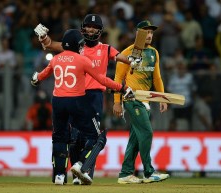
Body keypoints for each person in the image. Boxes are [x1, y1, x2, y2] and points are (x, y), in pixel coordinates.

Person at [34, 14, 140, 185]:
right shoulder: (76, 46)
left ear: (100, 30)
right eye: (88, 26)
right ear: (83, 28)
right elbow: (49, 45)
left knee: (90, 135)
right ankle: (77, 173)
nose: (91, 29)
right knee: (77, 137)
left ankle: (85, 172)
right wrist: (43, 37)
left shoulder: (106, 49)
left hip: (95, 96)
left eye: (95, 27)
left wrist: (133, 61)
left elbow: (123, 58)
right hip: (78, 95)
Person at [112, 20, 170, 184]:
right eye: (146, 32)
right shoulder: (127, 52)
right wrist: (117, 101)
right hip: (132, 99)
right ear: (138, 33)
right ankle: (149, 172)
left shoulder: (154, 53)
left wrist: (162, 97)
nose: (150, 35)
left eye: (151, 32)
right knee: (147, 133)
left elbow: (156, 78)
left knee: (136, 138)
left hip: (146, 101)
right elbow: (118, 79)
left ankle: (125, 173)